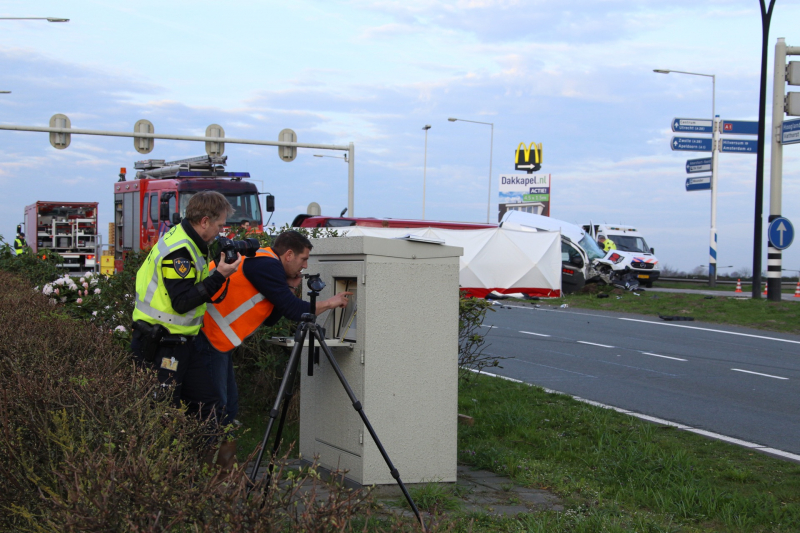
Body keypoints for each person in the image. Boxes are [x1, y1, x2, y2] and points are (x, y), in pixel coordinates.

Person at [194, 230, 351, 470]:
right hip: (207, 339)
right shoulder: (266, 265)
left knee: (229, 408)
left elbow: (271, 317)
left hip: (217, 343)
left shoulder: (265, 264)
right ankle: (202, 475)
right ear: (288, 255)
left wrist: (288, 287)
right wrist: (331, 302)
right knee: (215, 410)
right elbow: (293, 311)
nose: (305, 266)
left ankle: (225, 475)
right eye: (303, 259)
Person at [130, 191, 241, 421]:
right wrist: (219, 276)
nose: (221, 231)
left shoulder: (188, 240)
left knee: (207, 406)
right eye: (220, 225)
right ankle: (167, 457)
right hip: (160, 345)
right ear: (204, 222)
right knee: (160, 414)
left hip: (182, 342)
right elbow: (182, 302)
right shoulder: (179, 250)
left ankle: (199, 455)